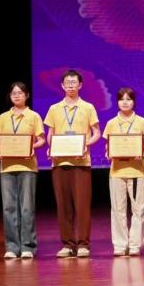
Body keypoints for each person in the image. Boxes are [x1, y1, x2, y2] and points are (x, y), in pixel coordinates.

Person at [43, 69, 101, 258]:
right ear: (62, 85)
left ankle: (83, 244)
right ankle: (67, 244)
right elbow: (50, 134)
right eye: (67, 82)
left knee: (82, 205)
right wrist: (51, 147)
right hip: (59, 162)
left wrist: (86, 144)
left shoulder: (88, 107)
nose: (70, 85)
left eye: (74, 82)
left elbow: (97, 133)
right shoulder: (54, 109)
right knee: (63, 206)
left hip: (81, 161)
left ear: (80, 85)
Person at [0, 82, 46, 259]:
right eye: (13, 93)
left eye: (20, 93)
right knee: (8, 207)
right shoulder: (3, 117)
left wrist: (30, 147)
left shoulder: (33, 116)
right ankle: (12, 246)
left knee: (27, 207)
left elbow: (41, 140)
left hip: (27, 166)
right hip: (6, 167)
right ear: (10, 96)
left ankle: (27, 246)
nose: (16, 96)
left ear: (27, 95)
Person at [103, 87, 144, 256]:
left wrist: (141, 149)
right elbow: (108, 145)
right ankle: (120, 245)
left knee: (138, 210)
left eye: (128, 99)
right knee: (118, 210)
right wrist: (108, 153)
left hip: (137, 171)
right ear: (117, 102)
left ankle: (135, 244)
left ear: (134, 102)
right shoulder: (111, 123)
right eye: (122, 99)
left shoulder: (141, 121)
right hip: (116, 172)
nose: (125, 102)